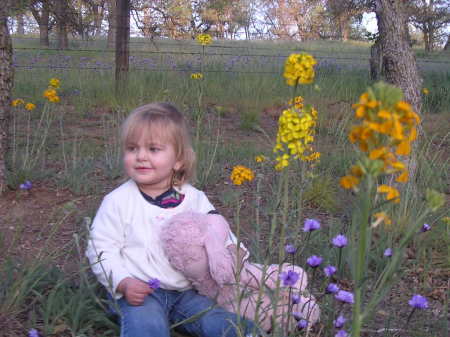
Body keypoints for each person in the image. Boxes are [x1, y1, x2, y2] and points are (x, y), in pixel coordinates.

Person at [86, 102, 256, 337]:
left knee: (215, 320)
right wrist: (122, 282)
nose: (141, 157)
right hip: (141, 293)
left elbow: (217, 229)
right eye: (132, 148)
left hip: (187, 293)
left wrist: (234, 252)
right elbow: (100, 248)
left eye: (153, 149)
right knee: (147, 325)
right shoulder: (117, 201)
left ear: (178, 160)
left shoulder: (194, 198)